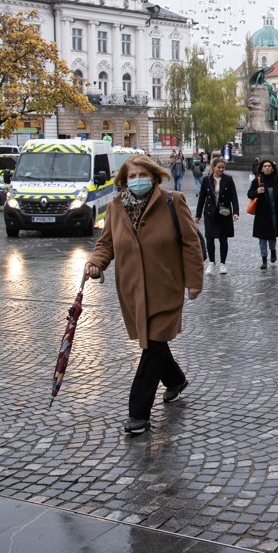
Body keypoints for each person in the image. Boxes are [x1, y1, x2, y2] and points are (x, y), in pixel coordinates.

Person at [84, 154, 202, 434]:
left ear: (153, 175)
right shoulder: (115, 207)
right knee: (155, 342)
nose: (137, 180)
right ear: (124, 181)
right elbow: (106, 244)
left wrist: (194, 280)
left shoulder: (172, 200)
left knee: (152, 347)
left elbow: (190, 242)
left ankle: (138, 414)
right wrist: (95, 263)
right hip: (133, 290)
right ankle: (175, 380)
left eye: (141, 174)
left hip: (166, 287)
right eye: (131, 176)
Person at [195, 157, 240, 275]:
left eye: (223, 168)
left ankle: (223, 264)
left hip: (224, 213)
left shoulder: (229, 179)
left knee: (223, 239)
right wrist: (198, 215)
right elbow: (202, 198)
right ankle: (211, 262)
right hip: (210, 214)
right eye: (219, 167)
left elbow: (234, 197)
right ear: (213, 167)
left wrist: (236, 212)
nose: (221, 170)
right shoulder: (206, 180)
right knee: (209, 239)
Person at [247, 159, 278, 269]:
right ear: (261, 168)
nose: (266, 168)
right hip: (262, 214)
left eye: (269, 166)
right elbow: (250, 194)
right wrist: (257, 191)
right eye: (264, 166)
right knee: (262, 237)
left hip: (275, 213)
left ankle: (273, 250)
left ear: (272, 168)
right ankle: (264, 259)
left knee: (272, 235)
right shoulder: (257, 181)